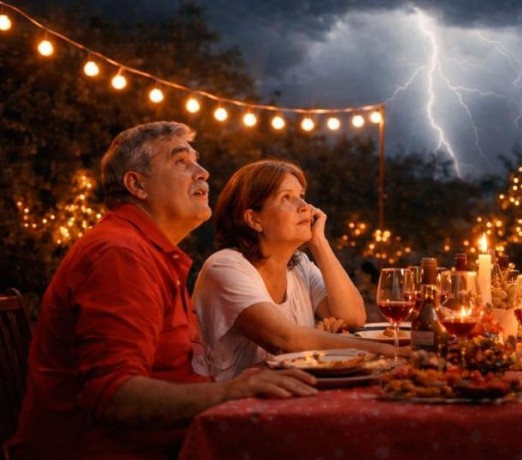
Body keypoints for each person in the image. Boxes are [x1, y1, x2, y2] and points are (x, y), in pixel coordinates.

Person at [5, 122, 318, 459]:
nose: (203, 172)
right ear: (136, 184)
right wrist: (233, 391)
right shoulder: (120, 255)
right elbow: (114, 397)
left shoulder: (151, 253)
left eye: (197, 161)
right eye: (181, 162)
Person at [192, 159, 395, 382]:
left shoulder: (300, 264)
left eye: (302, 196)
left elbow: (352, 317)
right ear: (254, 219)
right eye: (286, 197)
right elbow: (284, 340)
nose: (305, 206)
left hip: (287, 394)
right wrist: (393, 352)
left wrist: (319, 242)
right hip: (234, 406)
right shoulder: (225, 266)